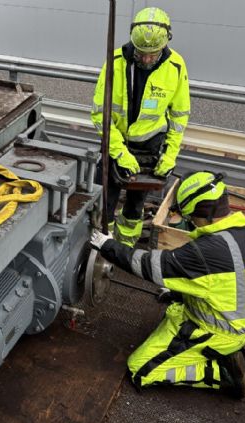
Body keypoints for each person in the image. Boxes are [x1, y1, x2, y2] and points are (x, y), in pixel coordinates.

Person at [90, 171, 245, 398]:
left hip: (220, 331)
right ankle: (233, 346)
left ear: (201, 212)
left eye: (190, 216)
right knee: (173, 309)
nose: (190, 222)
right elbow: (219, 282)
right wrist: (178, 291)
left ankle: (222, 373)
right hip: (241, 318)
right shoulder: (240, 232)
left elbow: (150, 266)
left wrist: (108, 246)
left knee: (140, 369)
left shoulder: (206, 251)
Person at [91, 6, 190, 246]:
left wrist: (169, 156)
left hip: (150, 145)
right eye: (141, 53)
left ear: (165, 45)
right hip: (118, 143)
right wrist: (119, 152)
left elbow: (179, 118)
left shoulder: (176, 67)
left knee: (136, 204)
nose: (146, 59)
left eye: (152, 54)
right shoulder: (115, 62)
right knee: (104, 199)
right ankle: (100, 243)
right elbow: (99, 115)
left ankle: (125, 248)